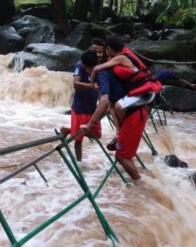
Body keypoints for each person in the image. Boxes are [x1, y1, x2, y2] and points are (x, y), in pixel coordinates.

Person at [78, 45, 157, 181]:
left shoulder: (101, 76)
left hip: (134, 116)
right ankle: (144, 188)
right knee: (124, 155)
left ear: (85, 67)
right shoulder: (106, 71)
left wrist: (89, 124)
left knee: (121, 156)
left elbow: (104, 101)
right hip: (136, 113)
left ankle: (143, 186)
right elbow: (110, 104)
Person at [89, 36, 163, 146]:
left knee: (119, 106)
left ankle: (125, 131)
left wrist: (92, 82)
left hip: (145, 93)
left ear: (108, 49)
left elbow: (96, 69)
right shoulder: (118, 58)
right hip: (137, 92)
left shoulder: (121, 58)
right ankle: (118, 133)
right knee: (111, 104)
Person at [61, 39, 104, 161]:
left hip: (92, 108)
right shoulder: (81, 64)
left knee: (97, 135)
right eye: (95, 51)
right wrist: (93, 86)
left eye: (100, 52)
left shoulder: (100, 66)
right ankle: (79, 162)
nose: (98, 54)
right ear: (90, 48)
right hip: (80, 108)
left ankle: (68, 130)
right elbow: (75, 83)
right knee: (78, 140)